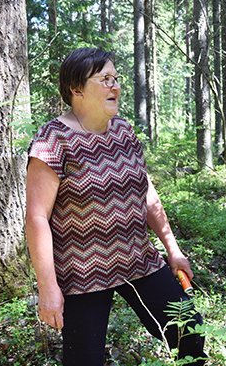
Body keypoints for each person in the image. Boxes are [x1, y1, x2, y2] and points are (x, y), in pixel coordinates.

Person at [25, 47, 206, 365]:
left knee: (188, 330)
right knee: (85, 361)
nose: (115, 86)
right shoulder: (53, 140)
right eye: (105, 79)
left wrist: (173, 249)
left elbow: (146, 192)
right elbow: (37, 218)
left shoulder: (123, 131)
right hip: (82, 274)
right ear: (76, 89)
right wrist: (48, 287)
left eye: (116, 78)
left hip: (138, 262)